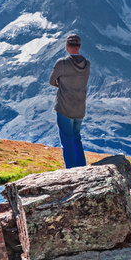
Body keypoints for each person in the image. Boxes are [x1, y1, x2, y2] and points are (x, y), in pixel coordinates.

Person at [49, 33, 90, 169]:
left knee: (66, 141)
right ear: (79, 46)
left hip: (64, 108)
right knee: (76, 139)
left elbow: (51, 80)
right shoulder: (86, 64)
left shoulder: (62, 63)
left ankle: (71, 171)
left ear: (67, 46)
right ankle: (82, 169)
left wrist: (61, 84)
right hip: (79, 109)